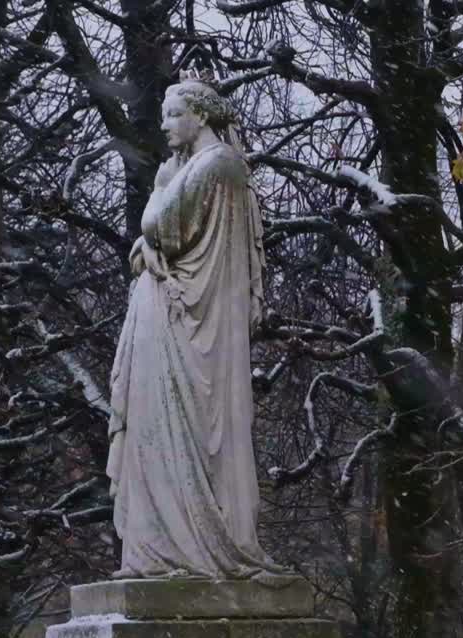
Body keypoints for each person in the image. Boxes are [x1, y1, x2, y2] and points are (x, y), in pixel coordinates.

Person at [105, 72, 284, 579]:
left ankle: (190, 545)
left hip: (187, 322)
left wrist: (159, 191)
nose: (164, 126)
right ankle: (158, 546)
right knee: (154, 431)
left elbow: (161, 229)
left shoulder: (218, 165)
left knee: (180, 429)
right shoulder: (199, 167)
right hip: (168, 314)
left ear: (200, 115)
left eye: (173, 115)